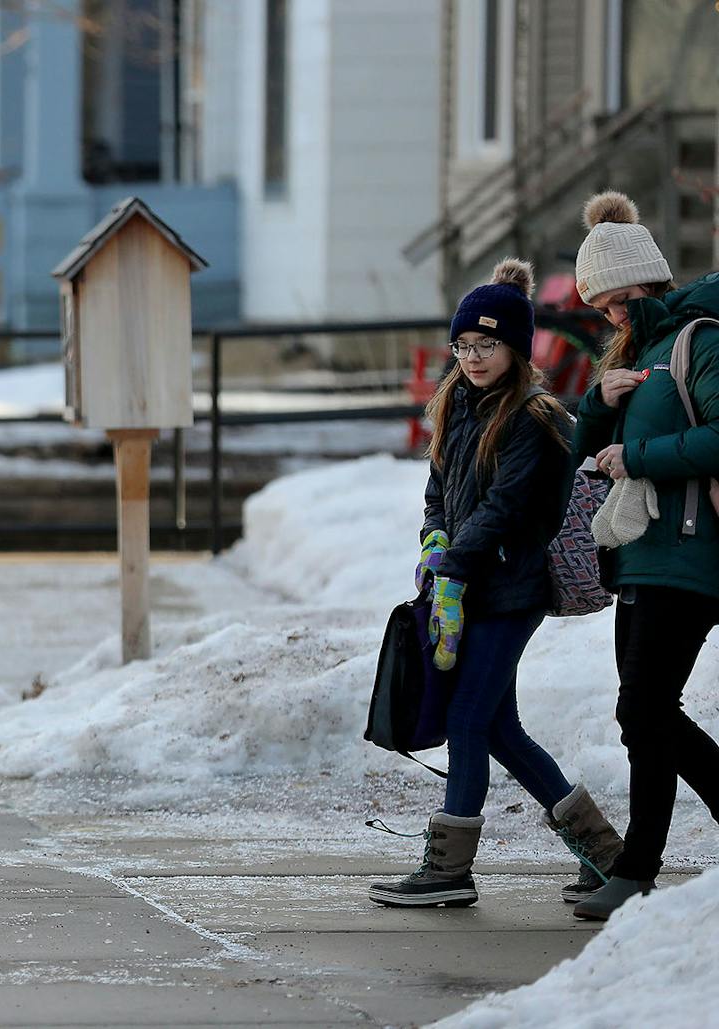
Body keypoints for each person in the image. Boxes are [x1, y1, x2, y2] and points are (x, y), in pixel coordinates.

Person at [370, 258, 625, 908]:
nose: (474, 357)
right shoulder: (455, 403)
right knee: (501, 727)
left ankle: (450, 869)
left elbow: (504, 508)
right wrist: (434, 541)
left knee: (467, 719)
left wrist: (453, 564)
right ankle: (607, 854)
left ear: (516, 347)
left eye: (488, 345)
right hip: (465, 585)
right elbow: (440, 492)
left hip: (512, 589)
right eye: (464, 345)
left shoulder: (531, 418)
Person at [570, 191, 719, 921]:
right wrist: (600, 401)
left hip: (691, 553)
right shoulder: (639, 352)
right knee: (643, 715)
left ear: (645, 285)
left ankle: (636, 866)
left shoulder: (700, 338)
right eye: (600, 309)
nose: (609, 319)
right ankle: (637, 868)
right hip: (641, 557)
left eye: (616, 303)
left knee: (646, 705)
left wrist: (638, 454)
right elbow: (582, 453)